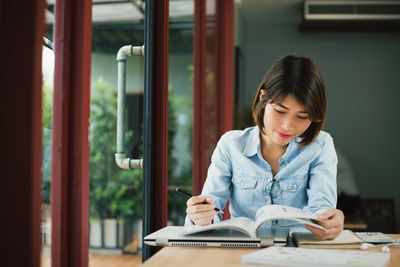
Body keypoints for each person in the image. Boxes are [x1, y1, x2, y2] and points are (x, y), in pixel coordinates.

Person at [185, 55, 344, 240]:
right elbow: (210, 208)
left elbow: (321, 210)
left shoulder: (320, 146)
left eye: (302, 116)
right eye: (280, 111)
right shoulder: (231, 146)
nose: (287, 125)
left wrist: (329, 221)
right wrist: (200, 216)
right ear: (263, 97)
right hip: (241, 254)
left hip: (297, 255)